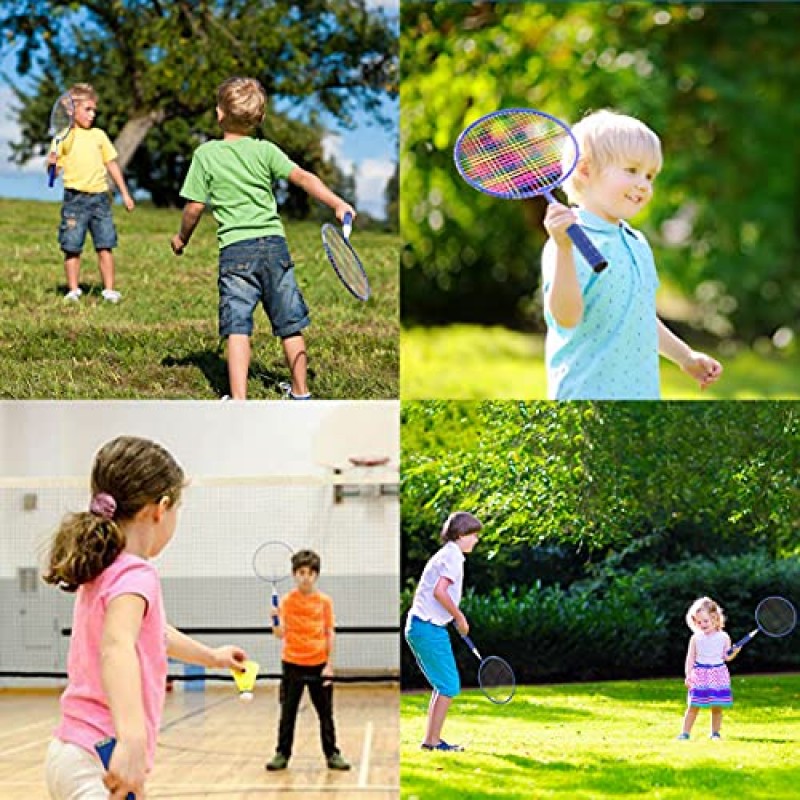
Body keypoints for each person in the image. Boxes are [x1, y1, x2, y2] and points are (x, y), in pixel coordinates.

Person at [42, 436, 249, 799]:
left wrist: (212, 657)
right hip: (102, 758)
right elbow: (117, 646)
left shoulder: (105, 568)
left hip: (70, 753)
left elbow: (154, 636)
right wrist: (132, 737)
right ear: (160, 509)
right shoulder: (137, 574)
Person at [171, 76, 356, 401]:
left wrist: (181, 238)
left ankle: (239, 400)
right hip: (274, 247)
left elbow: (194, 208)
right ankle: (301, 392)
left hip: (236, 251)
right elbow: (302, 177)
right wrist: (337, 203)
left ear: (219, 114)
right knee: (289, 324)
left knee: (237, 327)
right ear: (259, 119)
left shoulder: (206, 154)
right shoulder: (266, 151)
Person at [541, 109, 723, 400]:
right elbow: (566, 318)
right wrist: (563, 250)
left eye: (650, 175)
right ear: (585, 171)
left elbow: (639, 318)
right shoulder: (568, 241)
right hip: (586, 396)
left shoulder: (636, 242)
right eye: (631, 170)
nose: (644, 184)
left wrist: (685, 357)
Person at [47, 83, 135, 303]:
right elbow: (54, 172)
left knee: (105, 245)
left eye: (94, 110)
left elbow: (112, 164)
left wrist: (125, 193)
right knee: (72, 246)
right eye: (87, 109)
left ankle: (109, 290)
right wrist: (51, 164)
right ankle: (73, 290)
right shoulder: (63, 137)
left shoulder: (99, 136)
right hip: (74, 199)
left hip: (100, 199)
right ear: (70, 110)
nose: (92, 114)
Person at [266, 549, 351, 771]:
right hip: (292, 663)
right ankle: (281, 754)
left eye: (310, 573)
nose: (306, 577)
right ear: (294, 574)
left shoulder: (324, 602)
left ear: (316, 575)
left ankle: (332, 754)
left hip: (319, 665)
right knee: (288, 713)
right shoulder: (286, 601)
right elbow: (279, 634)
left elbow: (329, 632)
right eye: (301, 572)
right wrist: (274, 619)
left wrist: (329, 665)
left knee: (325, 714)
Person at [404, 511, 482, 752]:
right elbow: (440, 591)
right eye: (474, 535)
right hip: (426, 627)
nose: (476, 540)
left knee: (445, 684)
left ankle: (432, 741)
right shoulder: (453, 557)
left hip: (424, 626)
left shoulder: (448, 554)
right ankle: (432, 741)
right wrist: (459, 617)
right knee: (448, 685)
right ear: (460, 535)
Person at [677, 596, 738, 741]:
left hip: (718, 673)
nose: (702, 624)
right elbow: (690, 658)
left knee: (716, 706)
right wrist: (688, 675)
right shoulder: (695, 638)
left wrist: (735, 651)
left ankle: (715, 733)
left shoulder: (723, 637)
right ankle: (685, 733)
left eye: (705, 621)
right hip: (700, 673)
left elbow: (727, 657)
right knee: (693, 705)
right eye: (698, 622)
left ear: (715, 618)